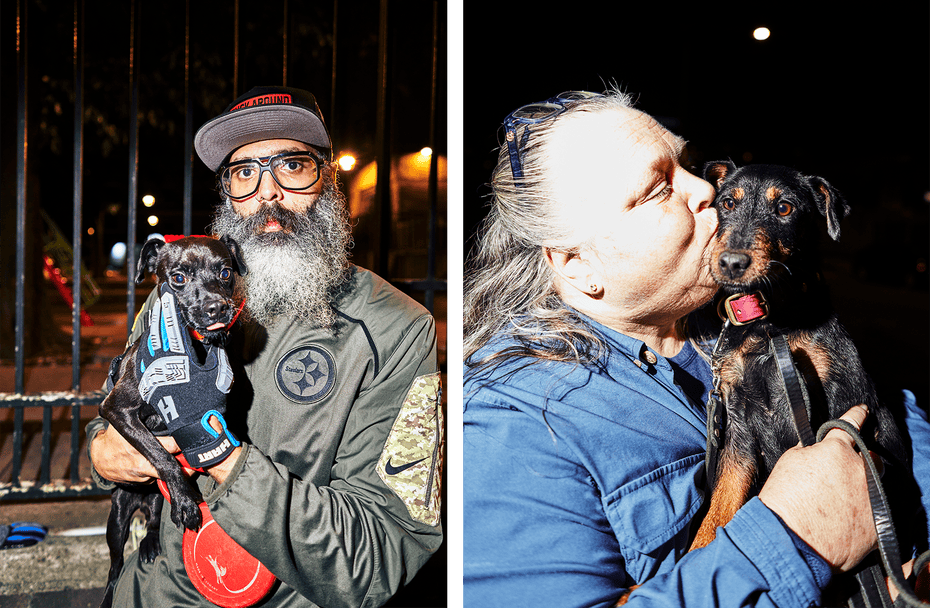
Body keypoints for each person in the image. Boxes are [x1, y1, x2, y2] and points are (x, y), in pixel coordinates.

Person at [461, 88, 930, 607]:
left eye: (686, 164)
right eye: (658, 188)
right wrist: (796, 535)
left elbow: (895, 415)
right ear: (577, 263)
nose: (706, 188)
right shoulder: (516, 423)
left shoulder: (746, 317)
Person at [88, 86, 443, 607]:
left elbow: (380, 560)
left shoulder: (398, 329)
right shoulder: (177, 296)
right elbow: (109, 421)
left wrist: (220, 456)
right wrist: (105, 455)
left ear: (329, 179)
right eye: (243, 172)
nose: (267, 192)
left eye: (292, 166)